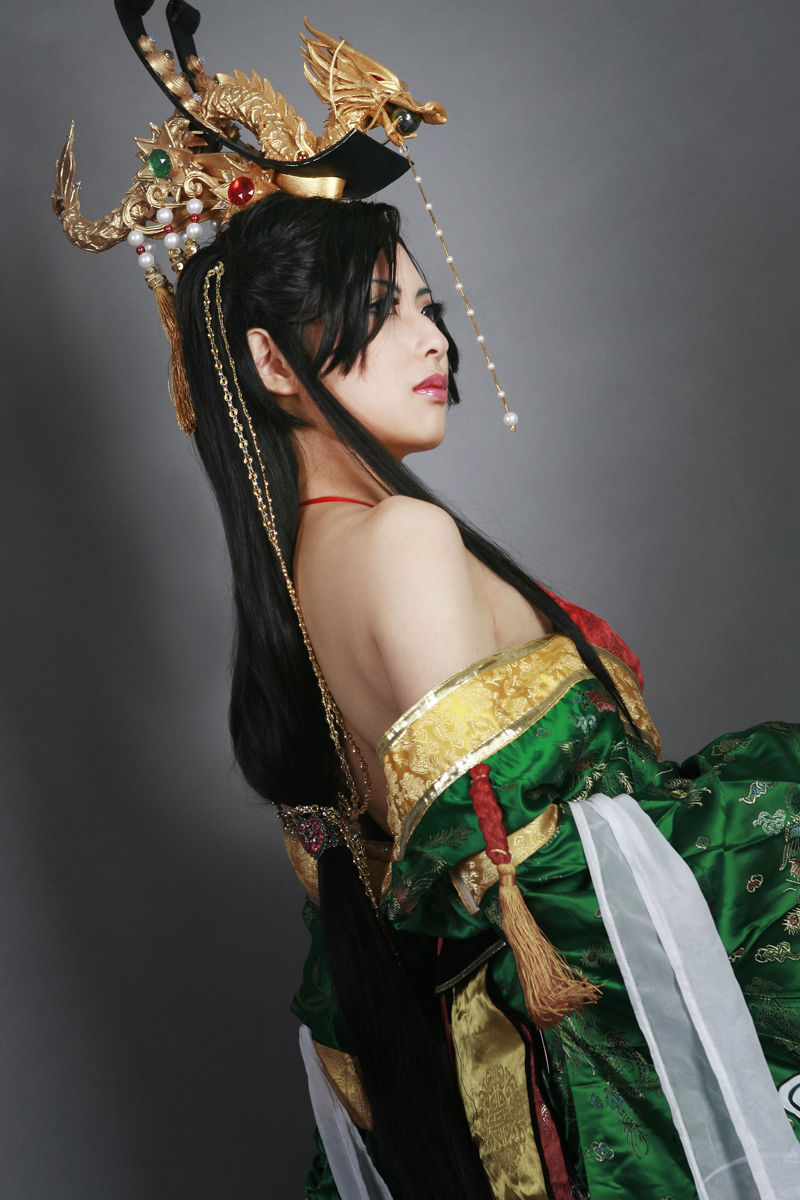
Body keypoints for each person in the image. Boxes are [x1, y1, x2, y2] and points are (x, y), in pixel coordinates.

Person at [174, 190, 800, 1200]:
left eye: (429, 308)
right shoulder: (403, 541)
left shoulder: (304, 582)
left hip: (503, 1069)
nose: (432, 339)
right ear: (272, 362)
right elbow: (520, 866)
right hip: (593, 1053)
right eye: (379, 310)